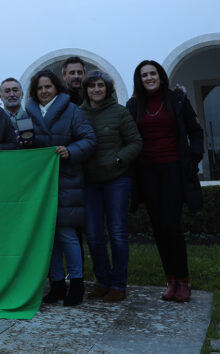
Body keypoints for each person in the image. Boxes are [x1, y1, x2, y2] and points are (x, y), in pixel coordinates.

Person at [126, 60, 204, 303]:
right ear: (139, 80)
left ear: (160, 76)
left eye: (153, 73)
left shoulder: (177, 100)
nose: (149, 78)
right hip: (147, 172)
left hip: (174, 169)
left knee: (172, 224)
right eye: (144, 75)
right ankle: (170, 280)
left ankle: (184, 281)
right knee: (159, 228)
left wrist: (193, 158)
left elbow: (195, 131)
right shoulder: (133, 105)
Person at [21, 69, 95, 307]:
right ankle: (57, 284)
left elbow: (89, 139)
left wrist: (70, 151)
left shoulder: (73, 110)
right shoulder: (26, 114)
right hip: (40, 185)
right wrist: (24, 143)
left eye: (48, 87)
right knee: (48, 237)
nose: (44, 91)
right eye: (40, 88)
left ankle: (76, 282)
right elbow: (23, 144)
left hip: (67, 179)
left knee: (67, 234)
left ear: (56, 88)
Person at [80, 70, 142, 303]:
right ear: (86, 90)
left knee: (117, 232)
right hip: (90, 183)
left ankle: (118, 284)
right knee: (94, 235)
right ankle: (102, 281)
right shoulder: (78, 113)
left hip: (117, 179)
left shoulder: (119, 112)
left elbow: (135, 142)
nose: (96, 89)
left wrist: (118, 159)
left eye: (100, 85)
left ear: (108, 89)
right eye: (92, 86)